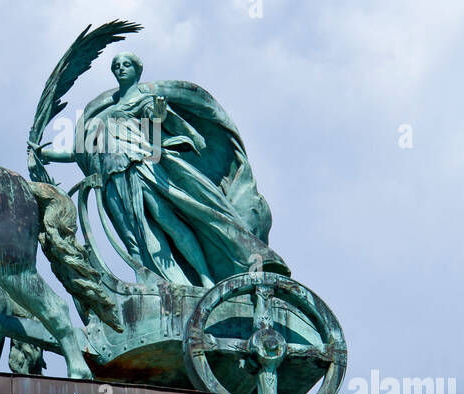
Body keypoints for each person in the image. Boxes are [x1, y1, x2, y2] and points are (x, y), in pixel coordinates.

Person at [36, 51, 286, 287]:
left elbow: (155, 126)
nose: (120, 69)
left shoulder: (143, 102)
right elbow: (78, 150)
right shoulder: (103, 115)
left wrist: (158, 114)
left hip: (143, 169)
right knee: (134, 238)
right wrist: (44, 153)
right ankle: (149, 281)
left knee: (171, 224)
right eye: (116, 66)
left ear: (137, 70)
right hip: (113, 179)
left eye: (126, 64)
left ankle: (205, 277)